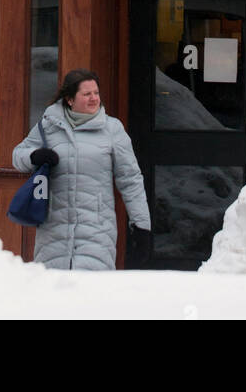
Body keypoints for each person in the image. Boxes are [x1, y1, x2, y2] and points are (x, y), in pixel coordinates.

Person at [12, 67, 151, 270]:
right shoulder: (49, 125)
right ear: (70, 99)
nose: (94, 98)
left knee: (90, 294)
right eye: (87, 94)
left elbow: (130, 180)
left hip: (97, 230)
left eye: (96, 93)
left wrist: (141, 226)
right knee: (54, 293)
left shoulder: (112, 129)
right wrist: (34, 156)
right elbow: (18, 155)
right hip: (53, 231)